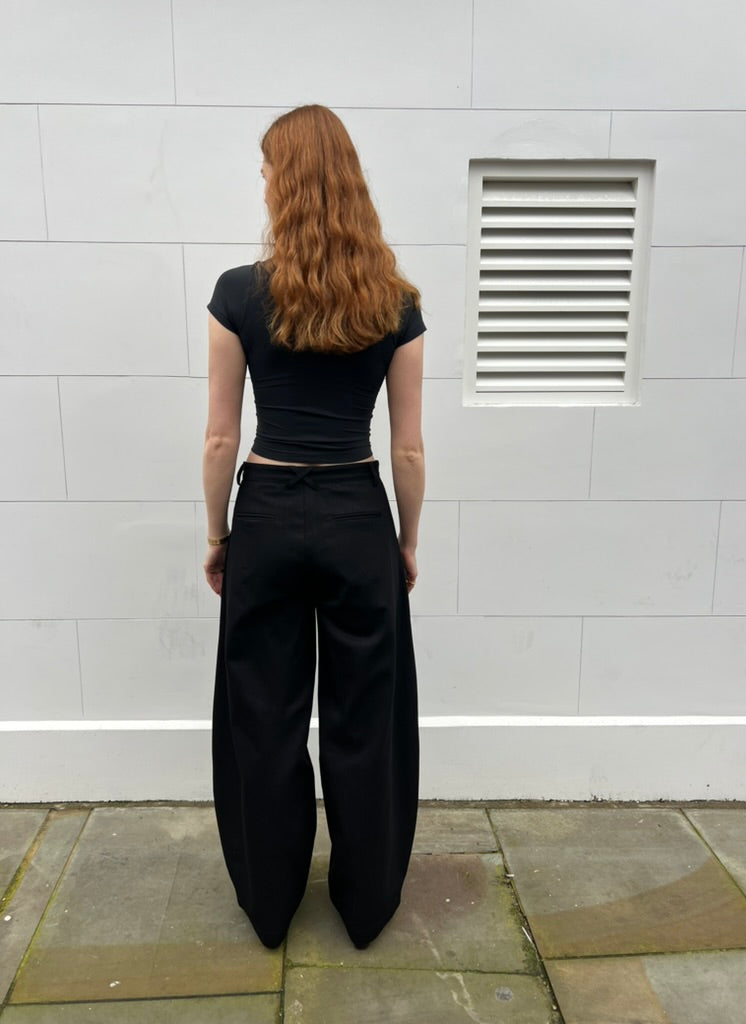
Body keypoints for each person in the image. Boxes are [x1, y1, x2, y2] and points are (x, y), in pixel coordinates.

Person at [201, 104, 426, 951]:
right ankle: (366, 907)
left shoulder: (237, 294)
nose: (260, 180)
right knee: (369, 716)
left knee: (262, 714)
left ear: (285, 184)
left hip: (266, 514)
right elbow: (407, 447)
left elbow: (220, 437)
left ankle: (270, 904)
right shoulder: (396, 302)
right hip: (357, 515)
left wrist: (219, 534)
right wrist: (405, 542)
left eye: (266, 169)